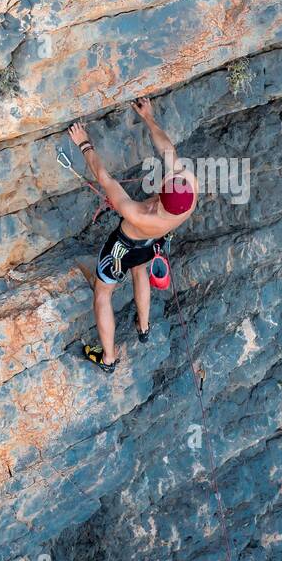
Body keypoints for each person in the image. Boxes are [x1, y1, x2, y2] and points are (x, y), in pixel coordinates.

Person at [69, 97, 197, 372]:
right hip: (154, 243)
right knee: (140, 270)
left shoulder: (139, 214)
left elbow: (106, 179)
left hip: (123, 247)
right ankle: (144, 326)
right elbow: (168, 149)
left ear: (161, 200)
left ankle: (108, 359)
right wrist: (148, 118)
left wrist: (84, 144)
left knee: (103, 294)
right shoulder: (189, 189)